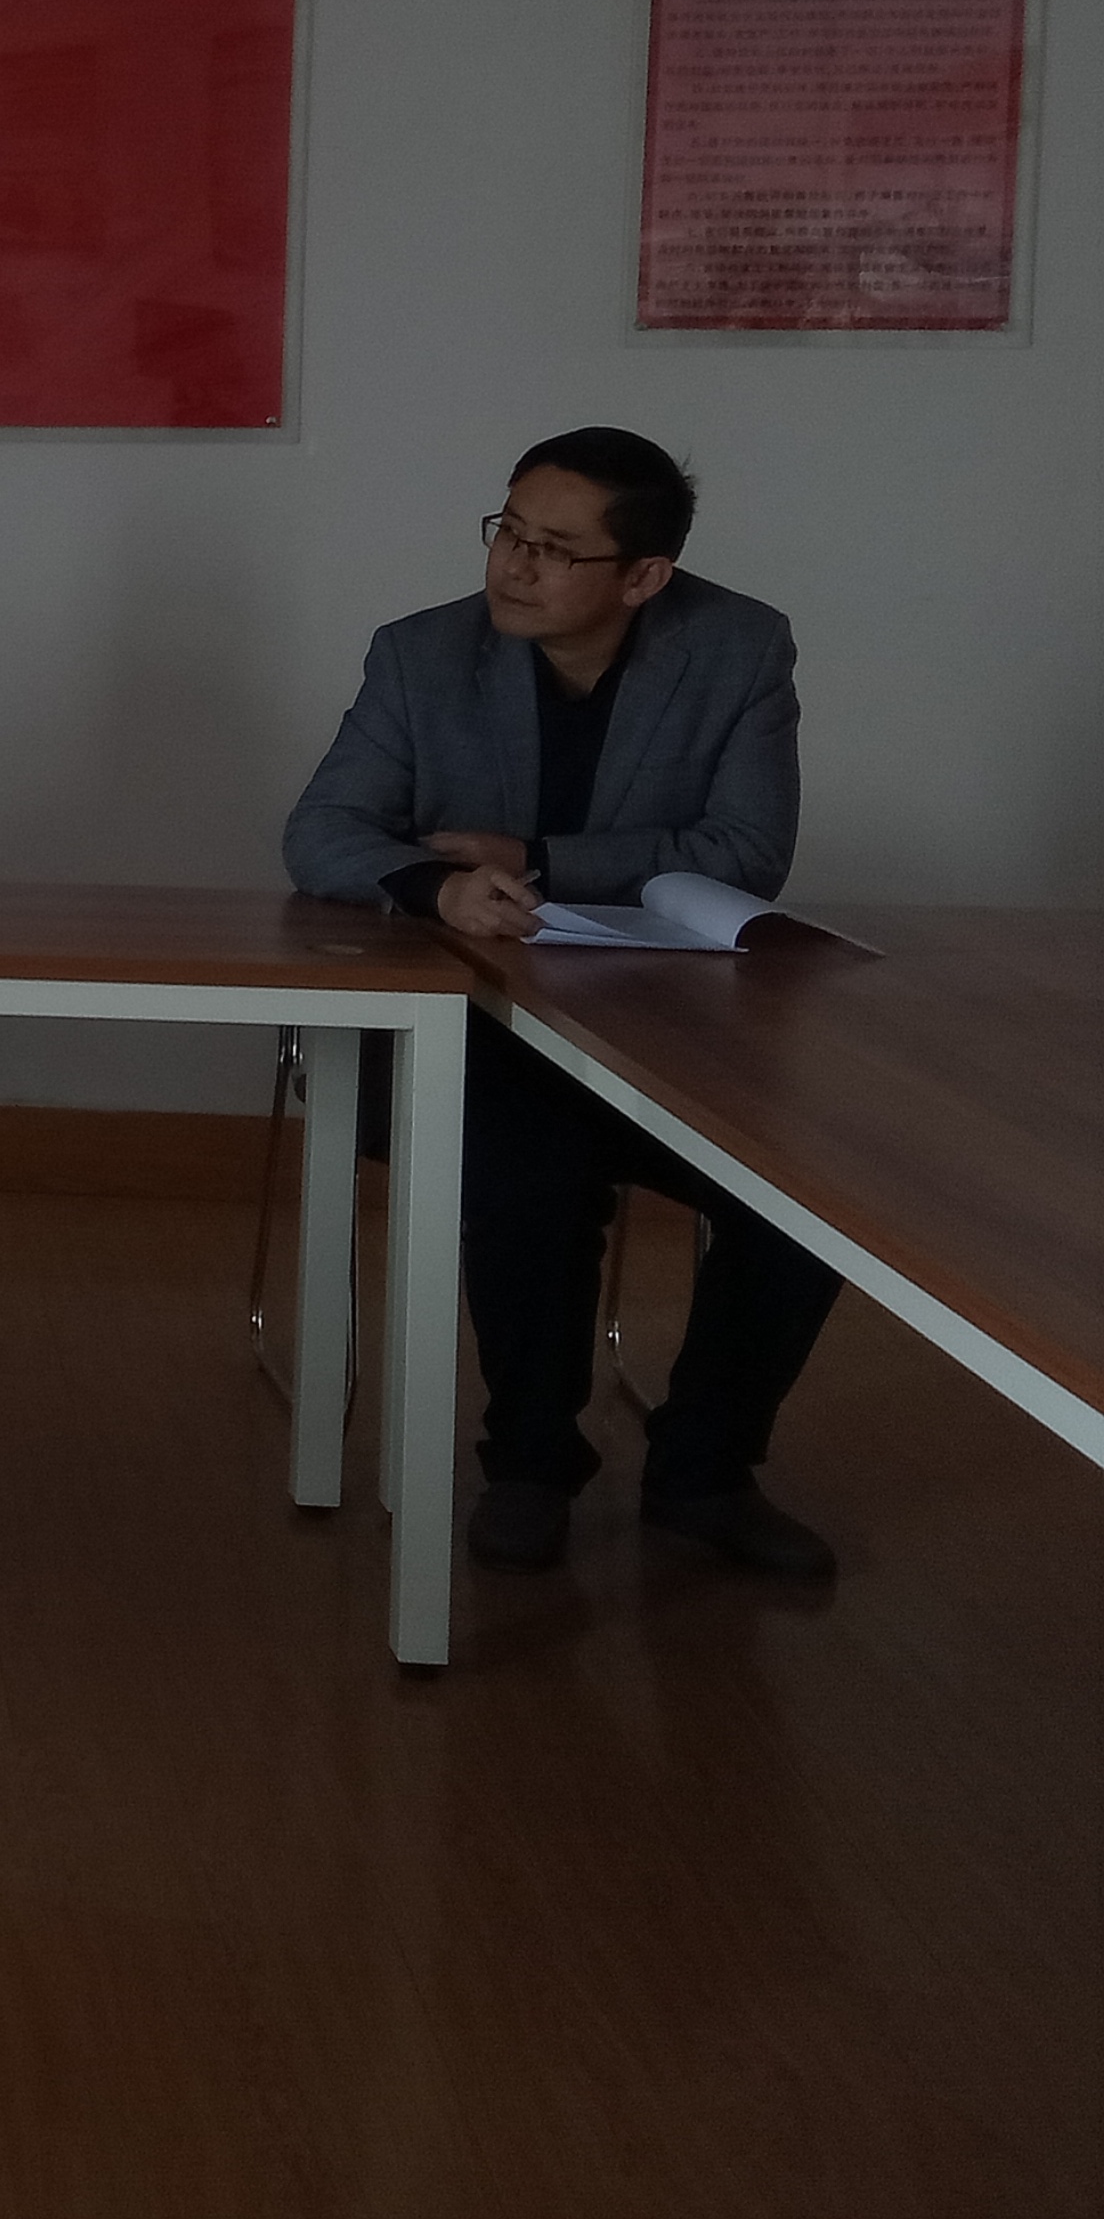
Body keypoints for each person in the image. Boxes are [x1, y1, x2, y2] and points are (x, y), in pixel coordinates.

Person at [284, 425, 840, 1581]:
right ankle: (530, 1464)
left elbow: (744, 854)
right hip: (470, 1026)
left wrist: (534, 856)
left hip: (661, 1032)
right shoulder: (420, 654)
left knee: (805, 1198)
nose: (511, 566)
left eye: (552, 549)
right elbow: (322, 830)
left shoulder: (737, 648)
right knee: (526, 1174)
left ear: (642, 576)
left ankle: (702, 1473)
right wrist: (435, 885)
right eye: (506, 531)